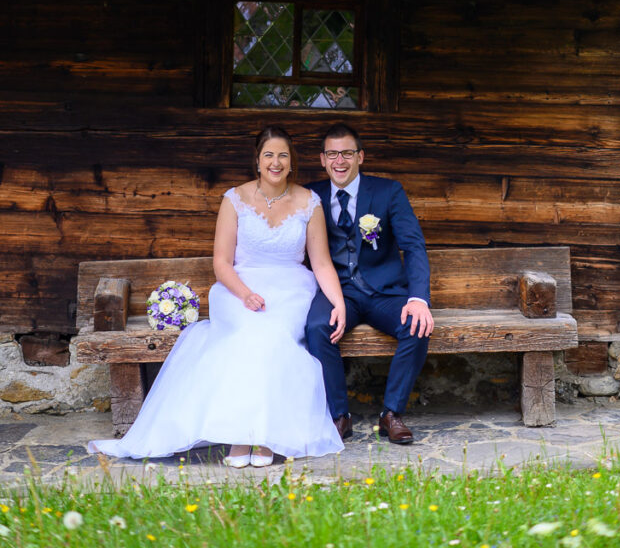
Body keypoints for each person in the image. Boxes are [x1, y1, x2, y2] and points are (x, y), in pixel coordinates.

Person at [88, 126, 346, 465]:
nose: (276, 162)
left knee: (272, 339)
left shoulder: (309, 203)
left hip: (291, 290)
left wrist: (339, 303)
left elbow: (323, 263)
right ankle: (241, 438)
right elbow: (221, 262)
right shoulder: (234, 200)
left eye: (283, 155)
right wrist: (245, 294)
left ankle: (264, 437)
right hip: (237, 289)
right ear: (257, 160)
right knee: (244, 336)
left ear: (291, 161)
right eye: (268, 154)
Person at [306, 123, 433, 445]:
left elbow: (414, 246)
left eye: (347, 153)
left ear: (360, 156)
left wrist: (418, 298)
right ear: (322, 159)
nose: (340, 161)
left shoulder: (388, 191)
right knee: (318, 327)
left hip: (384, 293)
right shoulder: (310, 196)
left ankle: (391, 413)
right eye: (332, 153)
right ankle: (339, 415)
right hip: (338, 294)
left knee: (416, 325)